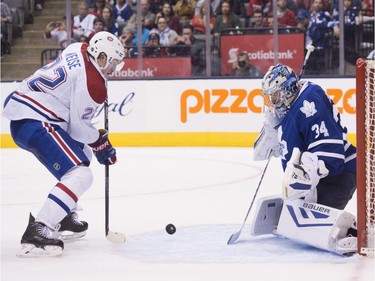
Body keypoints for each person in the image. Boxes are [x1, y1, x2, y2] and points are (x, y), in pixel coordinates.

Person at [2, 31, 125, 257]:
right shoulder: (95, 84)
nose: (113, 69)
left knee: (83, 154)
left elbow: (74, 124)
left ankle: (64, 213)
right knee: (82, 174)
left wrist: (95, 143)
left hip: (27, 112)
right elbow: (78, 128)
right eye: (113, 63)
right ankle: (40, 227)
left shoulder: (79, 47)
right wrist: (100, 141)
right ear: (101, 57)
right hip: (36, 121)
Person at [253, 64, 357, 255]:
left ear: (288, 89)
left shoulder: (309, 101)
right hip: (323, 178)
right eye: (270, 96)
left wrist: (307, 174)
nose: (272, 101)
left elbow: (332, 155)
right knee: (297, 208)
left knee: (309, 224)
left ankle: (351, 233)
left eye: (275, 95)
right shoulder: (290, 108)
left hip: (340, 175)